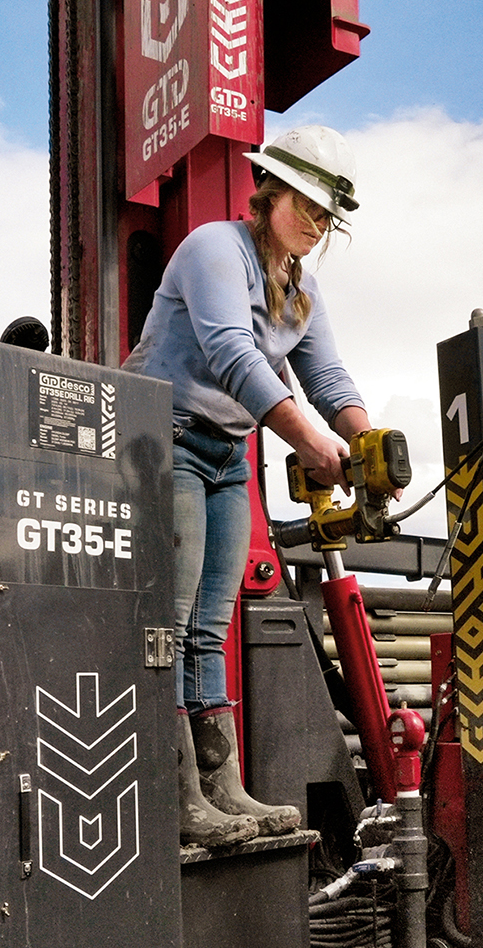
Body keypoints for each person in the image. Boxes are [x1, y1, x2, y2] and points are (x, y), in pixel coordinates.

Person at [127, 124, 374, 847]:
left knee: (211, 624)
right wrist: (310, 440)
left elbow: (325, 377)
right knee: (170, 625)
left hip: (229, 455)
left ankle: (221, 788)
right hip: (164, 438)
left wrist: (364, 441)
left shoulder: (301, 288)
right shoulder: (213, 249)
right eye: (306, 204)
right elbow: (232, 353)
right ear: (269, 191)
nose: (315, 223)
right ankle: (175, 796)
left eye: (326, 216)